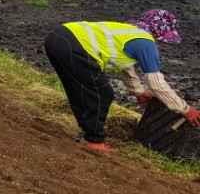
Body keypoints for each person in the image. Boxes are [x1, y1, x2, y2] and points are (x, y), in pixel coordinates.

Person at [44, 10, 200, 154]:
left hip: (57, 37)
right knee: (102, 94)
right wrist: (185, 109)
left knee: (80, 90)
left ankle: (88, 134)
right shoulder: (145, 43)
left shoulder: (128, 32)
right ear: (159, 32)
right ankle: (94, 141)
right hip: (75, 46)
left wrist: (138, 92)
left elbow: (125, 66)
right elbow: (156, 83)